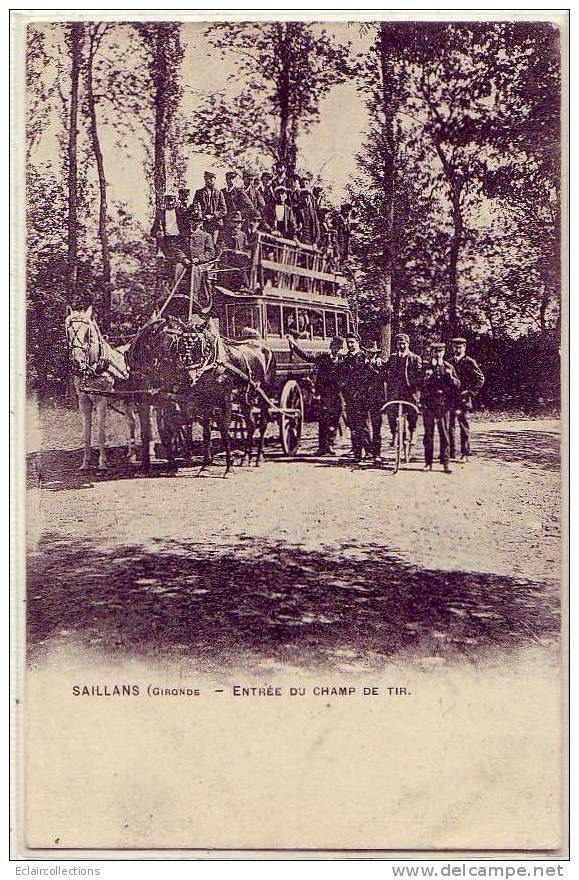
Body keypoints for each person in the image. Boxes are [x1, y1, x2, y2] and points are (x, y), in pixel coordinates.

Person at [288, 335, 344, 455]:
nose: (336, 349)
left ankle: (330, 445)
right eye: (334, 346)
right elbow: (308, 357)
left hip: (338, 394)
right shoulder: (323, 358)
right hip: (324, 393)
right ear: (331, 347)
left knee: (335, 419)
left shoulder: (343, 360)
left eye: (339, 347)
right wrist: (294, 345)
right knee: (324, 420)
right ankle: (322, 447)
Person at [421, 341, 461, 474]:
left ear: (443, 352)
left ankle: (446, 463)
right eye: (435, 351)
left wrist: (450, 377)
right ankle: (428, 463)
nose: (438, 354)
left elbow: (457, 385)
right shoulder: (425, 367)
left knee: (444, 434)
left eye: (440, 351)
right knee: (428, 435)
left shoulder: (448, 367)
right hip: (429, 404)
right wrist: (425, 379)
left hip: (444, 405)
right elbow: (418, 384)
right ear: (431, 352)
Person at [448, 337, 485, 462]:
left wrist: (470, 391)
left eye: (460, 347)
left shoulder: (469, 362)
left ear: (464, 348)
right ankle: (451, 452)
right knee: (450, 426)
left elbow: (480, 378)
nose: (457, 349)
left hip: (463, 399)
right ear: (452, 348)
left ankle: (465, 453)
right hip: (450, 398)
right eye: (455, 347)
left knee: (463, 426)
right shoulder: (449, 362)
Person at [383, 333, 422, 451]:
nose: (402, 346)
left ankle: (413, 431)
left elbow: (420, 375)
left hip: (410, 392)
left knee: (412, 412)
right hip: (395, 391)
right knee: (390, 411)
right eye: (400, 344)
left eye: (404, 344)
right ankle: (394, 433)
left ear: (408, 344)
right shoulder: (393, 358)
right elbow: (385, 370)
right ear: (396, 345)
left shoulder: (415, 358)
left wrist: (416, 385)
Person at [339, 332, 373, 462]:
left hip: (361, 396)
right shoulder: (346, 359)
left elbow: (368, 377)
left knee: (363, 424)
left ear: (358, 342)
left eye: (352, 342)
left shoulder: (364, 357)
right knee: (352, 425)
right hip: (349, 396)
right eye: (348, 343)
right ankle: (357, 452)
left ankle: (369, 451)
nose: (350, 345)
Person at [150, 193, 189, 282]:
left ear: (175, 202)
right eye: (168, 203)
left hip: (179, 240)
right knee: (168, 264)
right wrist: (157, 233)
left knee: (180, 262)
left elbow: (187, 227)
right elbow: (153, 231)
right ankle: (170, 284)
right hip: (166, 241)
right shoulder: (160, 214)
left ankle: (178, 283)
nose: (170, 205)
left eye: (172, 203)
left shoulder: (181, 213)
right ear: (165, 202)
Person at [192, 171, 227, 242]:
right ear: (205, 180)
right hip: (203, 223)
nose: (210, 181)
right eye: (207, 179)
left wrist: (213, 216)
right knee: (203, 243)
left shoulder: (219, 193)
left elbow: (224, 210)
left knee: (213, 244)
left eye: (212, 179)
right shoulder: (199, 193)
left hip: (215, 224)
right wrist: (201, 215)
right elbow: (195, 207)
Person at [295, 181, 321, 245]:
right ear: (301, 198)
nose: (306, 200)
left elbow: (317, 228)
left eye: (308, 198)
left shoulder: (313, 212)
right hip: (300, 238)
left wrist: (315, 242)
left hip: (311, 240)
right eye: (304, 197)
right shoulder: (297, 209)